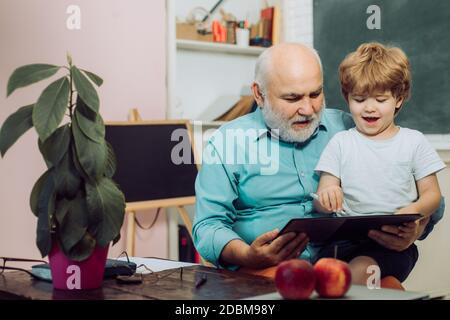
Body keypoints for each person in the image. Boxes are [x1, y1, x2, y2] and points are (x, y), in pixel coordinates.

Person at [193, 43, 444, 273]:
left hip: (347, 264)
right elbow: (208, 226)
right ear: (259, 94)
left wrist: (417, 226)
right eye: (292, 98)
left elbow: (428, 197)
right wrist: (248, 255)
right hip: (264, 272)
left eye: (315, 94)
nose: (308, 109)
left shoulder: (351, 127)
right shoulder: (227, 143)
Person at [313, 42, 446, 284]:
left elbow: (433, 195)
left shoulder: (413, 141)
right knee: (322, 276)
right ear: (347, 98)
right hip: (342, 241)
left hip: (393, 245)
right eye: (360, 99)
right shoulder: (341, 142)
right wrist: (328, 194)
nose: (370, 107)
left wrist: (413, 211)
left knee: (361, 270)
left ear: (398, 99)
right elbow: (325, 190)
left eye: (380, 99)